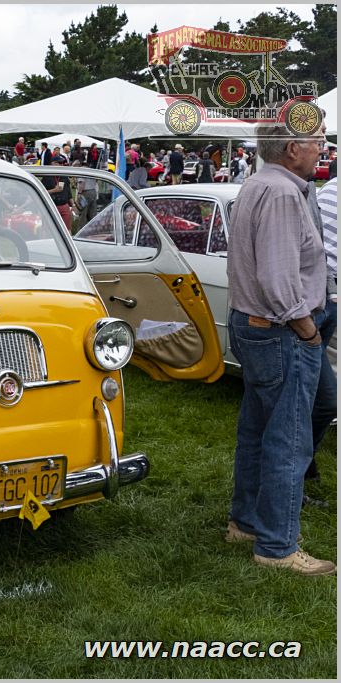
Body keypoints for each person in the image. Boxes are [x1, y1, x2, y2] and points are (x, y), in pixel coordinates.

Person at [224, 122, 334, 576]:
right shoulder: (285, 193)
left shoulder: (261, 182)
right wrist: (306, 328)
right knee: (288, 441)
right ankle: (277, 546)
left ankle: (247, 523)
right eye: (317, 141)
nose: (323, 148)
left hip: (256, 324)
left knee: (258, 429)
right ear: (293, 148)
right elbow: (278, 277)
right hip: (279, 327)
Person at [305, 165, 338, 486]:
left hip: (328, 296)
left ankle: (304, 462)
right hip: (317, 301)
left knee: (324, 397)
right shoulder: (325, 192)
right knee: (314, 396)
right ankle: (300, 466)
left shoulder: (322, 191)